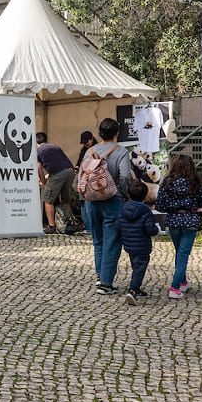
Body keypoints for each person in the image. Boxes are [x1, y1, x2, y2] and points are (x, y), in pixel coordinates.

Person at [83, 117, 132, 295]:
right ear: (117, 133)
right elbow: (125, 176)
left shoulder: (90, 151)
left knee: (98, 240)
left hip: (91, 200)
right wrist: (119, 191)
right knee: (112, 241)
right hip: (112, 200)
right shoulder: (121, 152)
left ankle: (99, 276)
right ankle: (105, 283)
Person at [156, 153, 202, 300]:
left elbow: (160, 205)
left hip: (174, 222)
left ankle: (183, 281)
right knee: (183, 255)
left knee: (179, 253)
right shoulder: (196, 183)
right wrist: (199, 210)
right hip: (191, 222)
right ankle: (174, 287)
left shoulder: (167, 183)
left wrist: (173, 208)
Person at [116, 181, 160, 305]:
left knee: (136, 266)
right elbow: (150, 229)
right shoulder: (145, 211)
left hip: (129, 244)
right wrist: (157, 229)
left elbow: (118, 225)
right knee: (140, 268)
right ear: (145, 196)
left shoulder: (123, 207)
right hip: (142, 245)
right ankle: (133, 290)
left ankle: (137, 287)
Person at [36, 132, 78, 235]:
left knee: (48, 199)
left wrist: (43, 181)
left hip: (58, 174)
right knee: (65, 200)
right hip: (70, 171)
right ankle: (70, 224)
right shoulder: (55, 147)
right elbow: (60, 163)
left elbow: (39, 168)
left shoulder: (38, 151)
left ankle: (51, 226)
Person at [75, 131, 97, 235]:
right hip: (83, 179)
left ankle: (90, 227)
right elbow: (79, 163)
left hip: (91, 179)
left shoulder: (95, 149)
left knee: (88, 204)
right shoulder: (84, 150)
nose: (85, 144)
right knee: (83, 203)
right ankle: (88, 226)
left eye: (86, 141)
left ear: (91, 139)